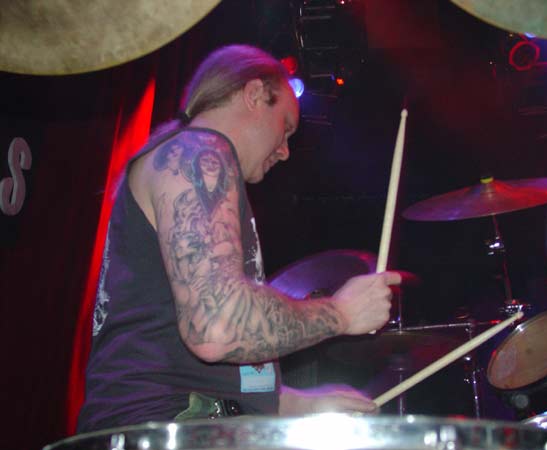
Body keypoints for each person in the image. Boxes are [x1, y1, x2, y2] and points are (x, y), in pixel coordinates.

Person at [77, 44, 403, 432]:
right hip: (160, 428)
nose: (285, 152)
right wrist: (341, 313)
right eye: (286, 128)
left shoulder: (199, 165)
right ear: (254, 94)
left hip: (189, 422)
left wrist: (304, 404)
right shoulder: (199, 152)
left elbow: (216, 368)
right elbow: (217, 327)